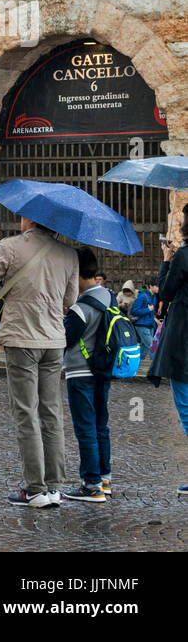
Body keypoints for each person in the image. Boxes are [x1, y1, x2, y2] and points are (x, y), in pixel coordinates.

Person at [0, 214, 78, 508]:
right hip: (54, 341)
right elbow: (70, 300)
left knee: (25, 412)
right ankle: (55, 486)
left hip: (21, 338)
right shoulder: (69, 254)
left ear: (31, 219)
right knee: (51, 412)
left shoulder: (9, 246)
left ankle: (35, 489)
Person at [60, 247, 112, 503]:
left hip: (80, 372)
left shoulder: (82, 307)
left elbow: (65, 339)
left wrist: (64, 316)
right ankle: (105, 478)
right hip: (103, 370)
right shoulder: (109, 297)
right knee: (101, 425)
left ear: (77, 273)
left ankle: (91, 485)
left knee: (86, 428)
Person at [149, 209, 188, 495]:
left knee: (186, 408)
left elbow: (165, 292)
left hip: (183, 342)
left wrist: (167, 261)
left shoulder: (184, 255)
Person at [130, 281, 158, 361]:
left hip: (150, 325)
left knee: (145, 346)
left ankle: (137, 362)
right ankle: (154, 365)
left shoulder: (154, 296)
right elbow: (134, 311)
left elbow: (152, 312)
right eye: (157, 286)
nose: (158, 288)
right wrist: (147, 309)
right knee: (151, 346)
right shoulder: (142, 296)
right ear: (151, 286)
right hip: (141, 324)